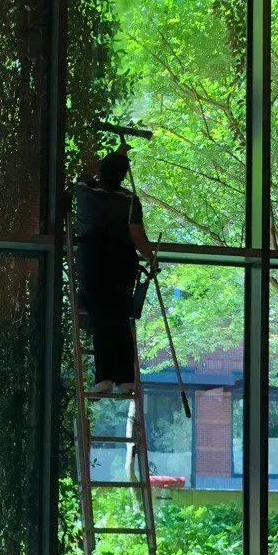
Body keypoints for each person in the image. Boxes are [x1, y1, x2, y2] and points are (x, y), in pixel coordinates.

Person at [73, 148, 159, 397]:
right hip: (123, 259)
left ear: (102, 170)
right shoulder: (129, 199)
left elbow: (86, 170)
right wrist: (150, 257)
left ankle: (105, 377)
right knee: (121, 317)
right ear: (123, 176)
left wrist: (115, 152)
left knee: (100, 317)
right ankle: (125, 379)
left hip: (93, 257)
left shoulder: (85, 189)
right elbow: (136, 235)